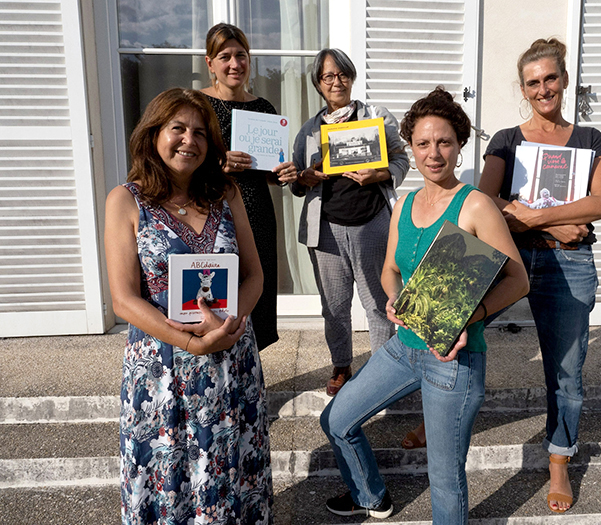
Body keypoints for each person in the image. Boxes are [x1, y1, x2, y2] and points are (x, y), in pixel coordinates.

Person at [320, 87, 529, 523]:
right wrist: (395, 300)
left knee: (446, 476)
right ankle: (371, 495)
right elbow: (389, 271)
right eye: (423, 143)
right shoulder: (406, 202)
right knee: (337, 420)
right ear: (410, 148)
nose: (434, 154)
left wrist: (468, 317)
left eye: (444, 142)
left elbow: (518, 280)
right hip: (404, 347)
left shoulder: (475, 205)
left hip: (452, 359)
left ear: (459, 144)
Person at [105, 88, 272, 524]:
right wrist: (190, 342)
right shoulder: (125, 200)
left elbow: (254, 274)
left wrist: (231, 324)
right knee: (169, 476)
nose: (189, 140)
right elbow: (123, 298)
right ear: (153, 134)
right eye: (177, 128)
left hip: (231, 360)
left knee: (232, 471)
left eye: (200, 132)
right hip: (163, 368)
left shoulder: (226, 193)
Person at [479, 38, 601, 513]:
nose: (543, 89)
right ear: (523, 87)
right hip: (507, 256)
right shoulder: (505, 139)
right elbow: (484, 201)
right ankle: (431, 419)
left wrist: (533, 216)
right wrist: (553, 218)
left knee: (566, 372)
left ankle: (559, 459)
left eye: (550, 78)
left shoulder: (589, 139)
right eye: (533, 82)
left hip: (570, 262)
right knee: (453, 327)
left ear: (564, 80)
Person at [291, 48, 409, 396]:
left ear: (351, 77)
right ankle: (342, 365)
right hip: (325, 230)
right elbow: (298, 182)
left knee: (378, 302)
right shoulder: (309, 131)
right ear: (318, 84)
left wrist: (380, 173)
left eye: (342, 74)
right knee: (334, 307)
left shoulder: (375, 117)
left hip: (372, 223)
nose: (336, 81)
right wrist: (306, 177)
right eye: (328, 76)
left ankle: (382, 371)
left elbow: (402, 159)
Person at [201, 22, 297, 350]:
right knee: (217, 293)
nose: (234, 64)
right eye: (225, 56)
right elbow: (178, 162)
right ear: (209, 63)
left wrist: (282, 173)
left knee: (256, 291)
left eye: (241, 55)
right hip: (210, 213)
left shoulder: (263, 108)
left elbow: (266, 172)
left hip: (256, 211)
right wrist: (218, 164)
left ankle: (250, 371)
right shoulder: (197, 107)